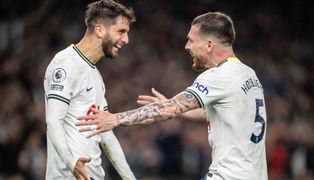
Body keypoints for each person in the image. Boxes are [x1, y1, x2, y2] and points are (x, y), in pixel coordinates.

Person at [77, 12, 268, 179]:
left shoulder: (218, 76)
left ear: (209, 44)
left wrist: (115, 119)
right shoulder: (248, 74)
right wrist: (175, 108)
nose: (187, 46)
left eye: (192, 40)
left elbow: (167, 110)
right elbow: (221, 112)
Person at [43, 0, 136, 179]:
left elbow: (106, 133)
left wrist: (129, 177)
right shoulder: (65, 63)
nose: (126, 40)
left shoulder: (94, 74)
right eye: (121, 31)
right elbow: (54, 121)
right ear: (100, 30)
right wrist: (72, 163)